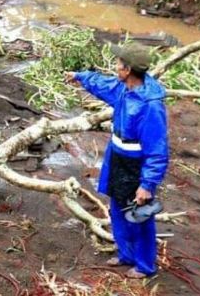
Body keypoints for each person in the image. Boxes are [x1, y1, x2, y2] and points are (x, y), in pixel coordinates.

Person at [65, 44, 169, 279]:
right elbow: (102, 84)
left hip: (135, 164)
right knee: (118, 208)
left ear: (127, 69)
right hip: (117, 157)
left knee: (139, 215)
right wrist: (80, 77)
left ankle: (144, 266)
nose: (115, 67)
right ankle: (126, 255)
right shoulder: (124, 88)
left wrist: (147, 184)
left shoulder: (150, 104)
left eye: (118, 63)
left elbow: (157, 150)